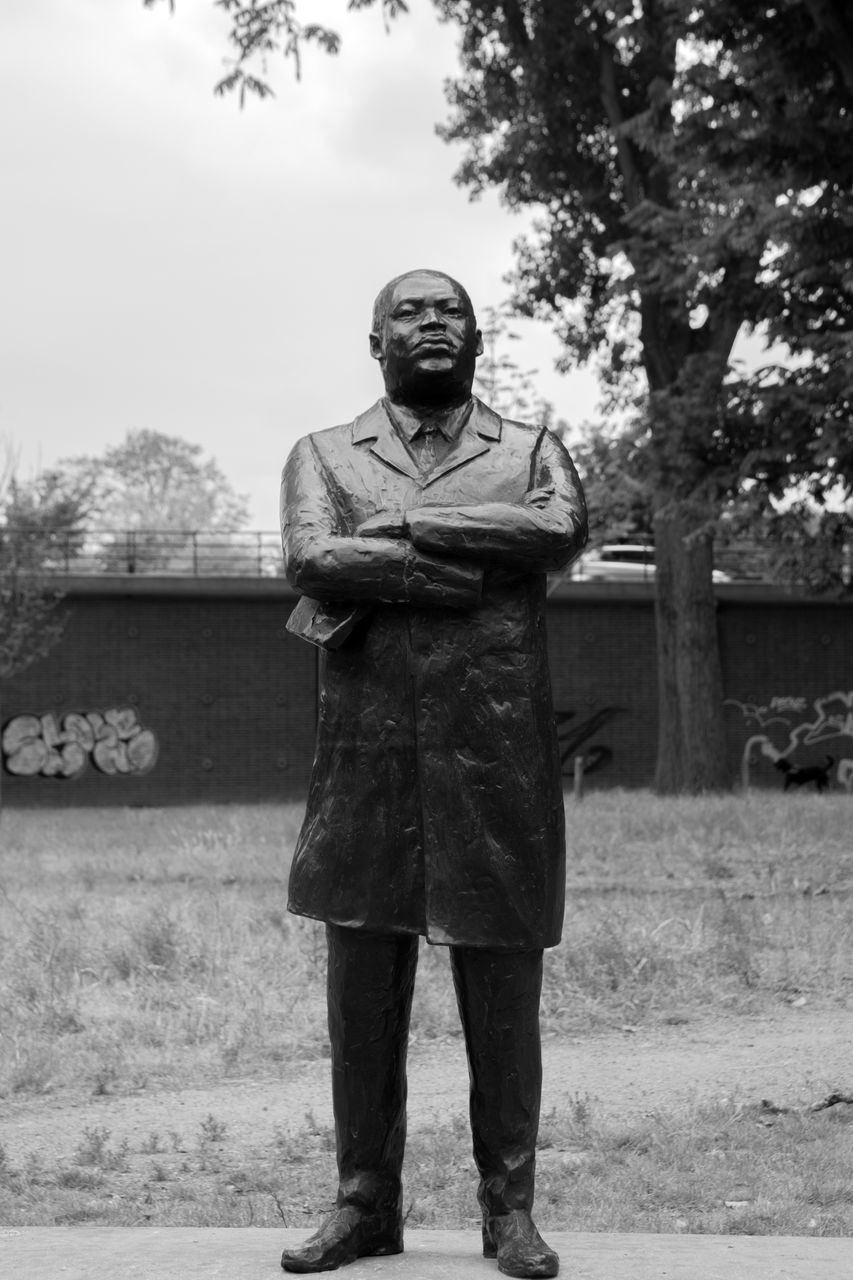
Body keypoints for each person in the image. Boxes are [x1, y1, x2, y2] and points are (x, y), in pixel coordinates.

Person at [279, 269, 587, 1277]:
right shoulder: (322, 454)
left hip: (496, 768)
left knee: (504, 997)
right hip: (365, 770)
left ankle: (510, 1210)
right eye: (408, 313)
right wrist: (458, 578)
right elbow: (314, 561)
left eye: (447, 311)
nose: (429, 325)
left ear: (478, 338)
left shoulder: (532, 448)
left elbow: (556, 531)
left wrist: (410, 528)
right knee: (361, 1002)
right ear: (375, 343)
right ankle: (363, 1201)